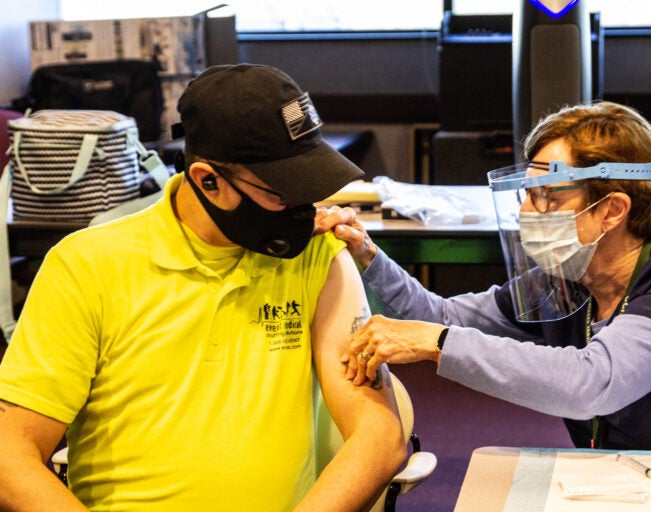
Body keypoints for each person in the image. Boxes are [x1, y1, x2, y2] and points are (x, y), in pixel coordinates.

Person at [0, 64, 406, 511]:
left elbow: (379, 437)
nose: (303, 209)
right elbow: (10, 457)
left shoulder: (315, 255)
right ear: (208, 180)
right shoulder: (86, 266)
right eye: (281, 193)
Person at [315, 101, 651, 451]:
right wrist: (368, 255)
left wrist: (435, 343)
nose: (527, 213)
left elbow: (592, 385)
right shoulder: (564, 282)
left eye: (547, 197)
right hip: (625, 478)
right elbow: (441, 315)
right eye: (526, 196)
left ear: (612, 210)